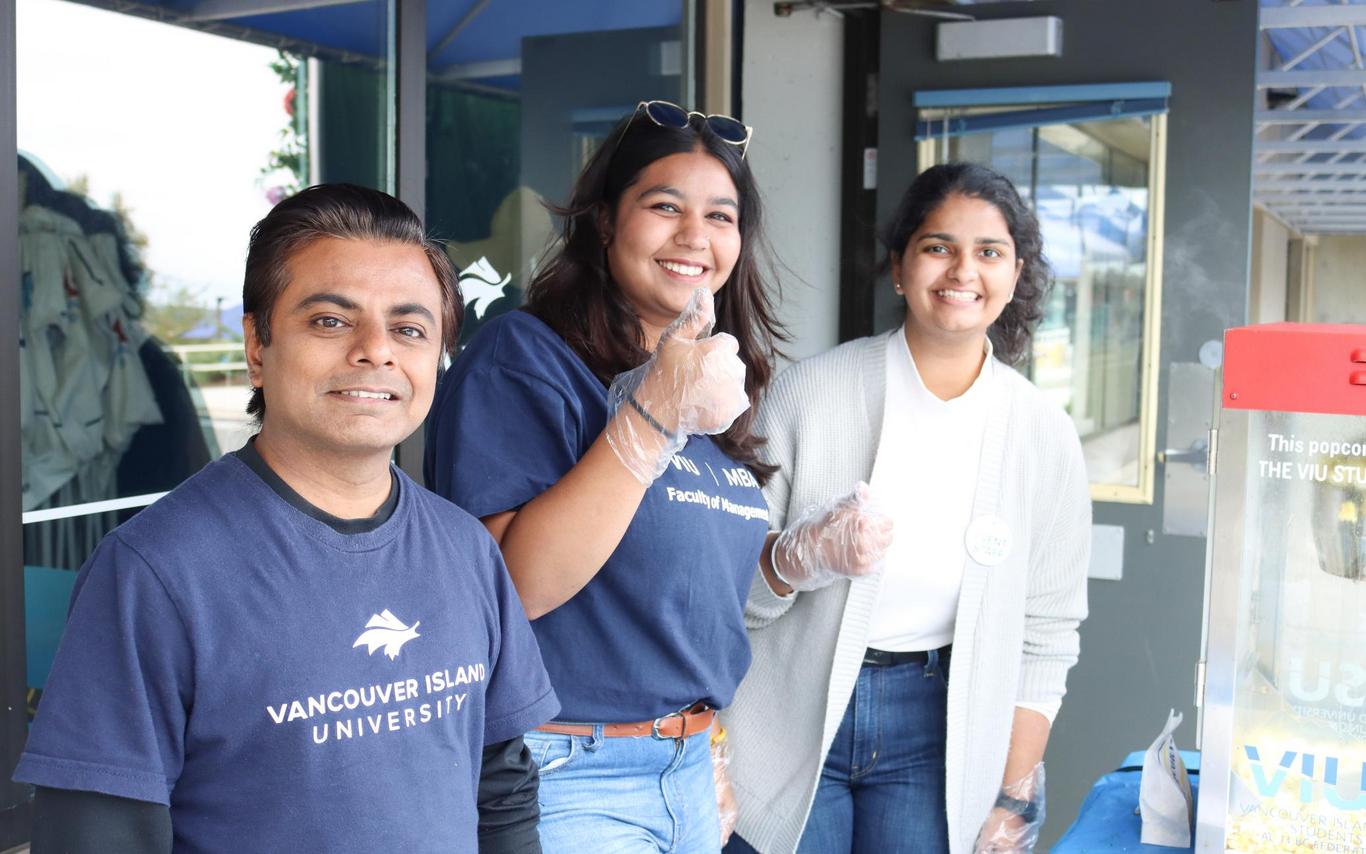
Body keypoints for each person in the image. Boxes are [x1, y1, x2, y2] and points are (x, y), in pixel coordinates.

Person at [14, 184, 560, 853]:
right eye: (330, 321)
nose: (375, 350)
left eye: (410, 328)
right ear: (257, 345)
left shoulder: (464, 550)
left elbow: (499, 791)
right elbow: (95, 839)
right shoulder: (154, 573)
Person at [425, 100, 782, 852]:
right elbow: (512, 587)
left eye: (721, 216)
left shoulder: (716, 383)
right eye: (663, 206)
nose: (695, 235)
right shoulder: (525, 359)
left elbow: (685, 602)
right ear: (603, 221)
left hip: (689, 770)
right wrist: (648, 418)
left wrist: (706, 740)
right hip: (571, 773)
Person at [723, 162, 1092, 854]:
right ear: (899, 268)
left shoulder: (1043, 435)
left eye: (989, 252)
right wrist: (795, 558)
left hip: (939, 729)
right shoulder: (809, 395)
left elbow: (1047, 633)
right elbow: (727, 594)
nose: (962, 270)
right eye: (937, 246)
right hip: (783, 712)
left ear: (1016, 276)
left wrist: (1014, 791)